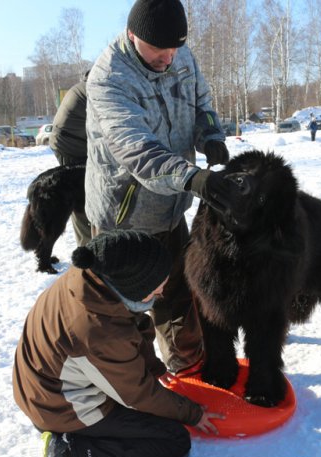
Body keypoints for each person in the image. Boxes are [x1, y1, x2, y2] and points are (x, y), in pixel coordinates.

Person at [85, 0, 252, 373]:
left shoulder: (180, 55)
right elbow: (137, 150)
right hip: (124, 216)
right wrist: (194, 178)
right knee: (127, 307)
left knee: (177, 291)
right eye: (159, 49)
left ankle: (187, 367)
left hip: (172, 205)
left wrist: (210, 133)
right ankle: (135, 379)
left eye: (174, 48)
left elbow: (201, 102)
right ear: (133, 35)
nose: (169, 57)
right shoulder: (109, 78)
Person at [13, 230, 223, 457]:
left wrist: (153, 366)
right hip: (59, 408)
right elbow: (139, 395)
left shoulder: (91, 279)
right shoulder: (99, 331)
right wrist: (194, 413)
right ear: (132, 288)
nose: (162, 291)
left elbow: (133, 325)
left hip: (39, 389)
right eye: (156, 288)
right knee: (174, 439)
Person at [49, 72, 92, 246]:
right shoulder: (93, 90)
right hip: (70, 146)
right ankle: (87, 246)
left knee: (85, 192)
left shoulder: (83, 87)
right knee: (81, 195)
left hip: (69, 140)